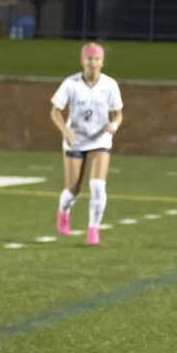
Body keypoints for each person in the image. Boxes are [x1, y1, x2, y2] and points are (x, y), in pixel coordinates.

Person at [48, 42, 124, 246]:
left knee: (98, 186)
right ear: (83, 61)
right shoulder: (71, 84)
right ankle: (64, 210)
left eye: (97, 59)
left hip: (100, 140)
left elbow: (118, 114)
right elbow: (55, 111)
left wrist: (114, 126)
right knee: (73, 190)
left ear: (102, 62)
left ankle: (93, 229)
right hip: (76, 140)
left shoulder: (110, 85)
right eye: (89, 59)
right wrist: (65, 130)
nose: (93, 63)